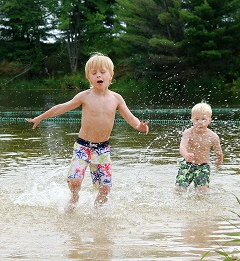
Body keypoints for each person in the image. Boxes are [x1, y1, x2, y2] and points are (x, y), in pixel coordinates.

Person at [27, 52, 149, 211]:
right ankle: (74, 197)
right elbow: (61, 107)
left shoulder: (116, 99)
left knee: (105, 189)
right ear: (89, 78)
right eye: (94, 73)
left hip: (103, 149)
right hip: (83, 146)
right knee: (75, 181)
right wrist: (40, 118)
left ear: (111, 76)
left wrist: (140, 126)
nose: (99, 75)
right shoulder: (84, 96)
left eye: (103, 72)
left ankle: (96, 215)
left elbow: (130, 117)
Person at [175, 102, 223, 194]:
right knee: (179, 189)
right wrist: (186, 154)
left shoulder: (213, 136)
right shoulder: (188, 133)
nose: (200, 122)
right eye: (196, 119)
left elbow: (218, 151)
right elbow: (182, 146)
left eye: (204, 119)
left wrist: (219, 160)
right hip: (187, 164)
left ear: (210, 120)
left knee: (202, 191)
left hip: (203, 166)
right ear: (192, 119)